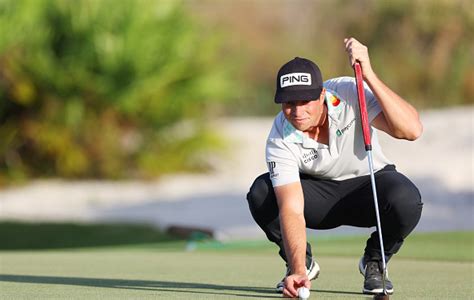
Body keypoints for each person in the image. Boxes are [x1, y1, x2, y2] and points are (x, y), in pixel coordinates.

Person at [246, 37, 423, 298]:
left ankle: (375, 261)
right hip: (318, 199)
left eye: (304, 101)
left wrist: (369, 74)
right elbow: (292, 208)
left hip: (369, 187)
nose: (296, 112)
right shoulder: (279, 135)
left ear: (321, 95)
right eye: (288, 103)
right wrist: (297, 269)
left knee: (406, 199)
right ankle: (302, 265)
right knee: (262, 193)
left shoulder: (349, 92)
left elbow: (411, 130)